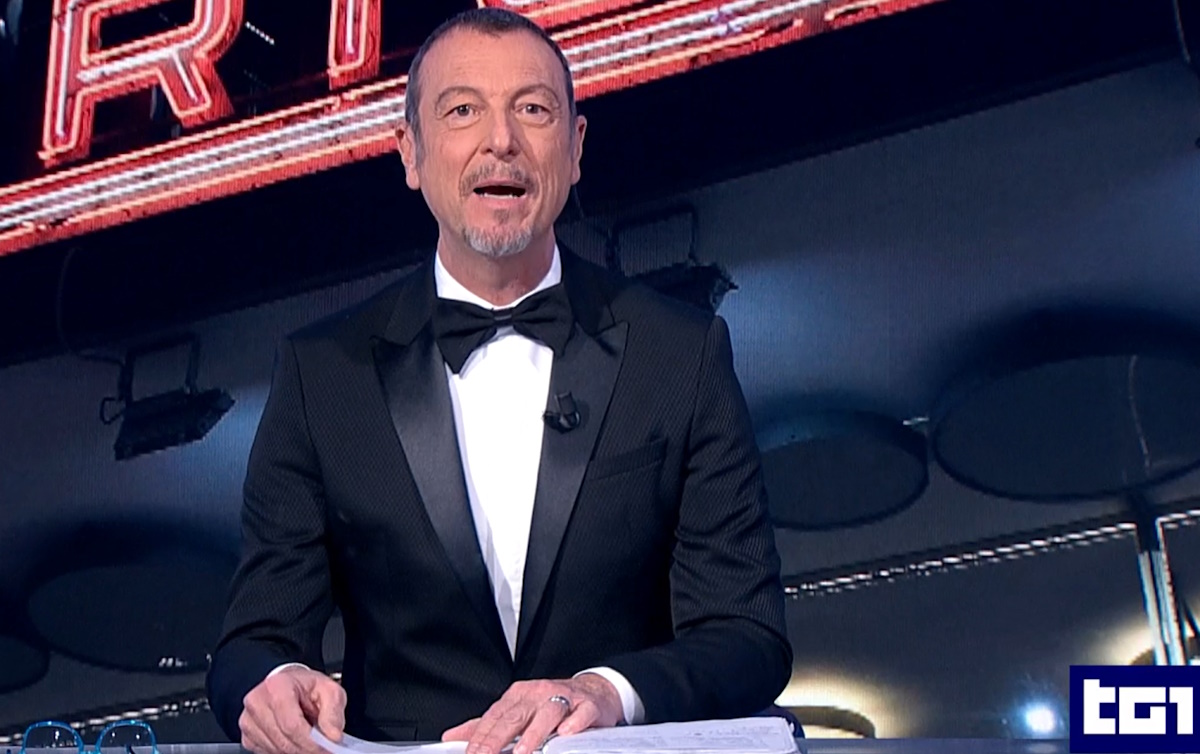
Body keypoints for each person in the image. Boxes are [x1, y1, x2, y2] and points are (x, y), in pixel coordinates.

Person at [205, 8, 792, 754]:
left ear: (576, 148)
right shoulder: (321, 374)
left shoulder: (680, 352)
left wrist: (606, 692)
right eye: (462, 111)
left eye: (534, 110)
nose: (501, 140)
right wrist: (276, 679)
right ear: (410, 153)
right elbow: (253, 642)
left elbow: (747, 637)